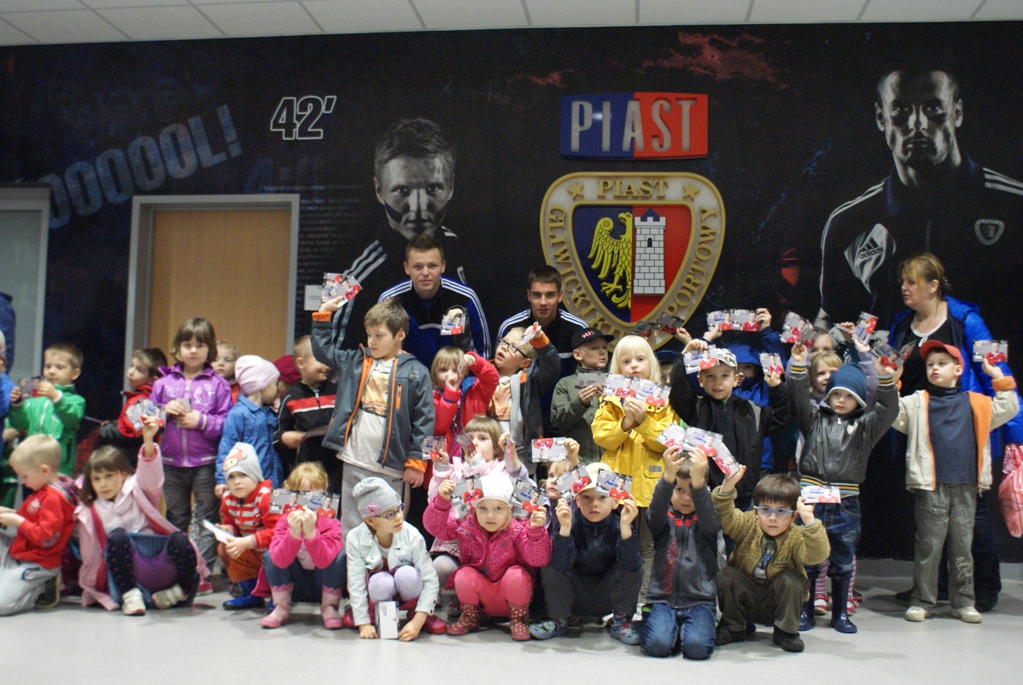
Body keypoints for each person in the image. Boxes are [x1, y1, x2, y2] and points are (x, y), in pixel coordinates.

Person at [818, 65, 1023, 338]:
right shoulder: (849, 223)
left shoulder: (1013, 205)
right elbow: (832, 318)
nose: (918, 125)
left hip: (989, 365)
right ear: (881, 118)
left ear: (957, 113)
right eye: (901, 110)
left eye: (933, 108)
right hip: (893, 364)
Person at [887, 253, 1022, 611]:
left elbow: (996, 371)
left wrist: (1015, 436)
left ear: (934, 285)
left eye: (912, 281)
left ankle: (984, 587)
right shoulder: (901, 325)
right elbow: (890, 372)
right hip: (920, 431)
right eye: (902, 282)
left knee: (973, 516)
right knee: (929, 516)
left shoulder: (965, 321)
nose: (904, 288)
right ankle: (933, 586)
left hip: (963, 428)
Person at [893, 341, 1018, 624]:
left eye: (942, 363)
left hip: (966, 486)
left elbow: (1008, 408)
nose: (935, 368)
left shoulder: (977, 402)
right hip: (931, 486)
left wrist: (997, 375)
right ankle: (922, 601)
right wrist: (891, 381)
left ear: (958, 369)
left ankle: (963, 602)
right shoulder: (917, 402)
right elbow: (891, 413)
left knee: (963, 547)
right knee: (928, 547)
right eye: (930, 365)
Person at [788, 344, 898, 634]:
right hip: (811, 501)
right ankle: (806, 609)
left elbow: (888, 411)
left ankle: (840, 613)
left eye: (849, 395)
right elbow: (797, 399)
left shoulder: (865, 428)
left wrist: (886, 378)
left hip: (846, 503)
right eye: (836, 393)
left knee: (843, 560)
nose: (840, 400)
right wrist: (798, 366)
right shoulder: (813, 420)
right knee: (808, 557)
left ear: (859, 399)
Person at [332, 118, 469, 350]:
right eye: (402, 190)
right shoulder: (346, 266)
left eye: (433, 188)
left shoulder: (464, 255)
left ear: (451, 187)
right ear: (379, 190)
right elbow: (333, 352)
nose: (418, 207)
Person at [311, 296, 433, 536]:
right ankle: (352, 563)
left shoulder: (417, 372)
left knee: (390, 529)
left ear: (399, 334)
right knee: (351, 527)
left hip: (392, 466)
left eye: (379, 335)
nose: (372, 341)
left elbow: (425, 421)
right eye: (369, 335)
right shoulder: (357, 359)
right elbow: (323, 351)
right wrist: (323, 315)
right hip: (354, 458)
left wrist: (418, 462)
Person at [76, 417, 205, 614]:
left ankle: (180, 591)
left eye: (109, 476)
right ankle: (132, 597)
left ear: (123, 474)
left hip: (160, 564)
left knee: (180, 539)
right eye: (97, 479)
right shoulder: (89, 512)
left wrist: (148, 440)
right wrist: (93, 591)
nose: (103, 484)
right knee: (117, 537)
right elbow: (91, 556)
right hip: (127, 577)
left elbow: (151, 474)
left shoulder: (138, 490)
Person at [592, 334, 676, 600]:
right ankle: (615, 601)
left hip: (650, 486)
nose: (634, 366)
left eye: (640, 359)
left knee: (648, 546)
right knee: (614, 543)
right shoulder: (609, 399)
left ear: (651, 362)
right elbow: (601, 436)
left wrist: (643, 421)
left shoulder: (664, 400)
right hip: (614, 485)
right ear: (617, 367)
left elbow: (668, 441)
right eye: (626, 361)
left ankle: (642, 601)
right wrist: (626, 423)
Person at [713, 469, 830, 654]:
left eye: (781, 512)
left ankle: (786, 632)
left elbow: (817, 556)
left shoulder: (796, 535)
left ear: (793, 516)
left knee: (793, 580)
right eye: (766, 510)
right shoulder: (748, 524)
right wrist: (726, 488)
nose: (772, 518)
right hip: (746, 600)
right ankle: (735, 626)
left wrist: (809, 521)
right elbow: (726, 518)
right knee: (726, 574)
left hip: (777, 605)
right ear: (756, 511)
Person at [149, 318, 232, 576]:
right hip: (171, 463)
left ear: (210, 350)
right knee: (176, 517)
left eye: (200, 345)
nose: (193, 351)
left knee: (206, 519)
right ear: (177, 348)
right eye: (187, 345)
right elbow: (146, 420)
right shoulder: (162, 384)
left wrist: (202, 421)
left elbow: (227, 424)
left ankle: (202, 572)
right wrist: (163, 412)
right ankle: (177, 570)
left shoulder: (219, 385)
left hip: (206, 463)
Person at [425, 472, 551, 640]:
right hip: (481, 601)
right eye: (483, 508)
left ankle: (518, 620)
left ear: (510, 510)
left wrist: (535, 532)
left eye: (498, 509)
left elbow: (537, 559)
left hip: (511, 599)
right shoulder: (467, 526)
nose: (490, 516)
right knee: (464, 575)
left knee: (517, 575)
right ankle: (470, 616)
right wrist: (441, 502)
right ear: (474, 509)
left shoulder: (519, 529)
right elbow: (437, 528)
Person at [529, 462, 643, 644]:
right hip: (575, 598)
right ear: (577, 501)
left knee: (634, 561)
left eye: (602, 498)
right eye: (586, 497)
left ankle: (622, 620)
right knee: (550, 559)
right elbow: (560, 566)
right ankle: (558, 618)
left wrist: (625, 527)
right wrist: (564, 529)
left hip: (607, 598)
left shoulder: (619, 523)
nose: (594, 504)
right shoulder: (570, 521)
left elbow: (632, 566)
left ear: (615, 502)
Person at [670, 340, 790, 511]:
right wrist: (684, 357)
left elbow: (782, 419)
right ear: (700, 380)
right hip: (705, 494)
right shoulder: (695, 407)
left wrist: (777, 389)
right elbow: (677, 392)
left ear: (736, 379)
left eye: (724, 376)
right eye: (710, 376)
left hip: (745, 497)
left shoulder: (753, 411)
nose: (717, 382)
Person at [640, 446, 720, 659]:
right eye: (679, 490)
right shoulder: (662, 519)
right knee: (657, 646)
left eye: (693, 490)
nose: (686, 498)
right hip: (663, 599)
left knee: (697, 649)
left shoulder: (707, 521)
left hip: (699, 600)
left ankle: (690, 628)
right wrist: (667, 476)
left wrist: (699, 482)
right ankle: (666, 627)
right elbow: (655, 510)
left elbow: (710, 519)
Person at [345, 476, 446, 640]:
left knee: (407, 575)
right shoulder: (355, 538)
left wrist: (418, 621)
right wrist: (363, 623)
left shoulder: (411, 534)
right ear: (370, 520)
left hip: (408, 589)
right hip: (378, 590)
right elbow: (356, 582)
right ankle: (377, 614)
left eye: (399, 509)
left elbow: (430, 579)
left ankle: (417, 612)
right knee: (380, 582)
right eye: (390, 514)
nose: (399, 517)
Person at [496, 265, 586, 435]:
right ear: (529, 296)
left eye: (550, 295)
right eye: (537, 295)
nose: (543, 302)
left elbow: (588, 376)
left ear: (560, 296)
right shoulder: (510, 327)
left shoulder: (578, 328)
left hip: (565, 420)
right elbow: (499, 373)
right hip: (521, 421)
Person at [378, 234, 491, 368]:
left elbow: (483, 355)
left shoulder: (464, 298)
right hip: (405, 378)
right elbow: (379, 349)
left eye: (432, 266)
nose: (425, 273)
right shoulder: (390, 301)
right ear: (406, 268)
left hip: (454, 378)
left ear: (443, 266)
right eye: (418, 267)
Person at [258, 462, 347, 630]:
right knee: (271, 555)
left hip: (321, 583)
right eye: (301, 494)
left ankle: (330, 607)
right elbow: (278, 561)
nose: (307, 503)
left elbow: (325, 561)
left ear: (324, 495)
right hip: (294, 585)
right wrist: (293, 534)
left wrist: (312, 534)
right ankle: (281, 607)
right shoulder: (284, 521)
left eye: (314, 495)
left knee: (339, 556)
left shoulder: (331, 523)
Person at [0, 435, 77, 616]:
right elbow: (33, 518)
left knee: (2, 606)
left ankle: (43, 588)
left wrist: (17, 521)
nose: (23, 481)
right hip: (20, 550)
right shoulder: (42, 489)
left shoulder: (53, 498)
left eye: (25, 476)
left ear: (44, 470)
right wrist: (10, 513)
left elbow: (46, 538)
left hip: (38, 562)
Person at [6, 342, 85, 477]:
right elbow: (21, 425)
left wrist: (56, 398)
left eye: (59, 367)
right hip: (32, 463)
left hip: (59, 467)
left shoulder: (76, 400)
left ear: (74, 373)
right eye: (48, 366)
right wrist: (18, 404)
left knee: (53, 492)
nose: (51, 371)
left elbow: (72, 419)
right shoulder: (35, 398)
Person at [216, 442, 279, 611]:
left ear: (255, 475)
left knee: (276, 554)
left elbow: (278, 534)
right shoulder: (228, 499)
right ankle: (251, 593)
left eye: (243, 475)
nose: (237, 482)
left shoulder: (268, 496)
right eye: (231, 477)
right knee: (226, 547)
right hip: (253, 549)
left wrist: (247, 542)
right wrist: (228, 530)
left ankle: (280, 595)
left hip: (274, 551)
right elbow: (230, 522)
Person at [489, 325, 560, 470]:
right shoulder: (484, 374)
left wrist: (540, 339)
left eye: (513, 347)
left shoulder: (529, 381)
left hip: (519, 454)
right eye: (504, 342)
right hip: (489, 452)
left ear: (525, 362)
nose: (504, 347)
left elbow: (552, 368)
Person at [273, 335, 339, 491]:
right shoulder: (291, 396)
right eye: (321, 360)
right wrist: (285, 438)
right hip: (305, 472)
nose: (327, 365)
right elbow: (277, 436)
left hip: (336, 468)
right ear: (301, 363)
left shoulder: (337, 391)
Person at [216, 355, 282, 490]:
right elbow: (227, 448)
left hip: (273, 483)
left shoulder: (270, 412)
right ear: (263, 386)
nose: (278, 389)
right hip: (248, 485)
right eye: (275, 384)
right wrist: (222, 480)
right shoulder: (238, 414)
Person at [96, 348, 167, 464]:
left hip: (132, 460)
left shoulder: (143, 401)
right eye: (131, 366)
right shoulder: (144, 398)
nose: (131, 372)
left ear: (152, 380)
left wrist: (107, 430)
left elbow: (130, 435)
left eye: (139, 370)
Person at [430, 346, 498, 453]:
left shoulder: (475, 390)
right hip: (444, 455)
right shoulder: (431, 397)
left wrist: (475, 361)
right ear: (434, 374)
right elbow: (438, 427)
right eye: (443, 370)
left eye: (456, 370)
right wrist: (450, 393)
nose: (449, 375)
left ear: (465, 372)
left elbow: (492, 378)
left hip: (474, 452)